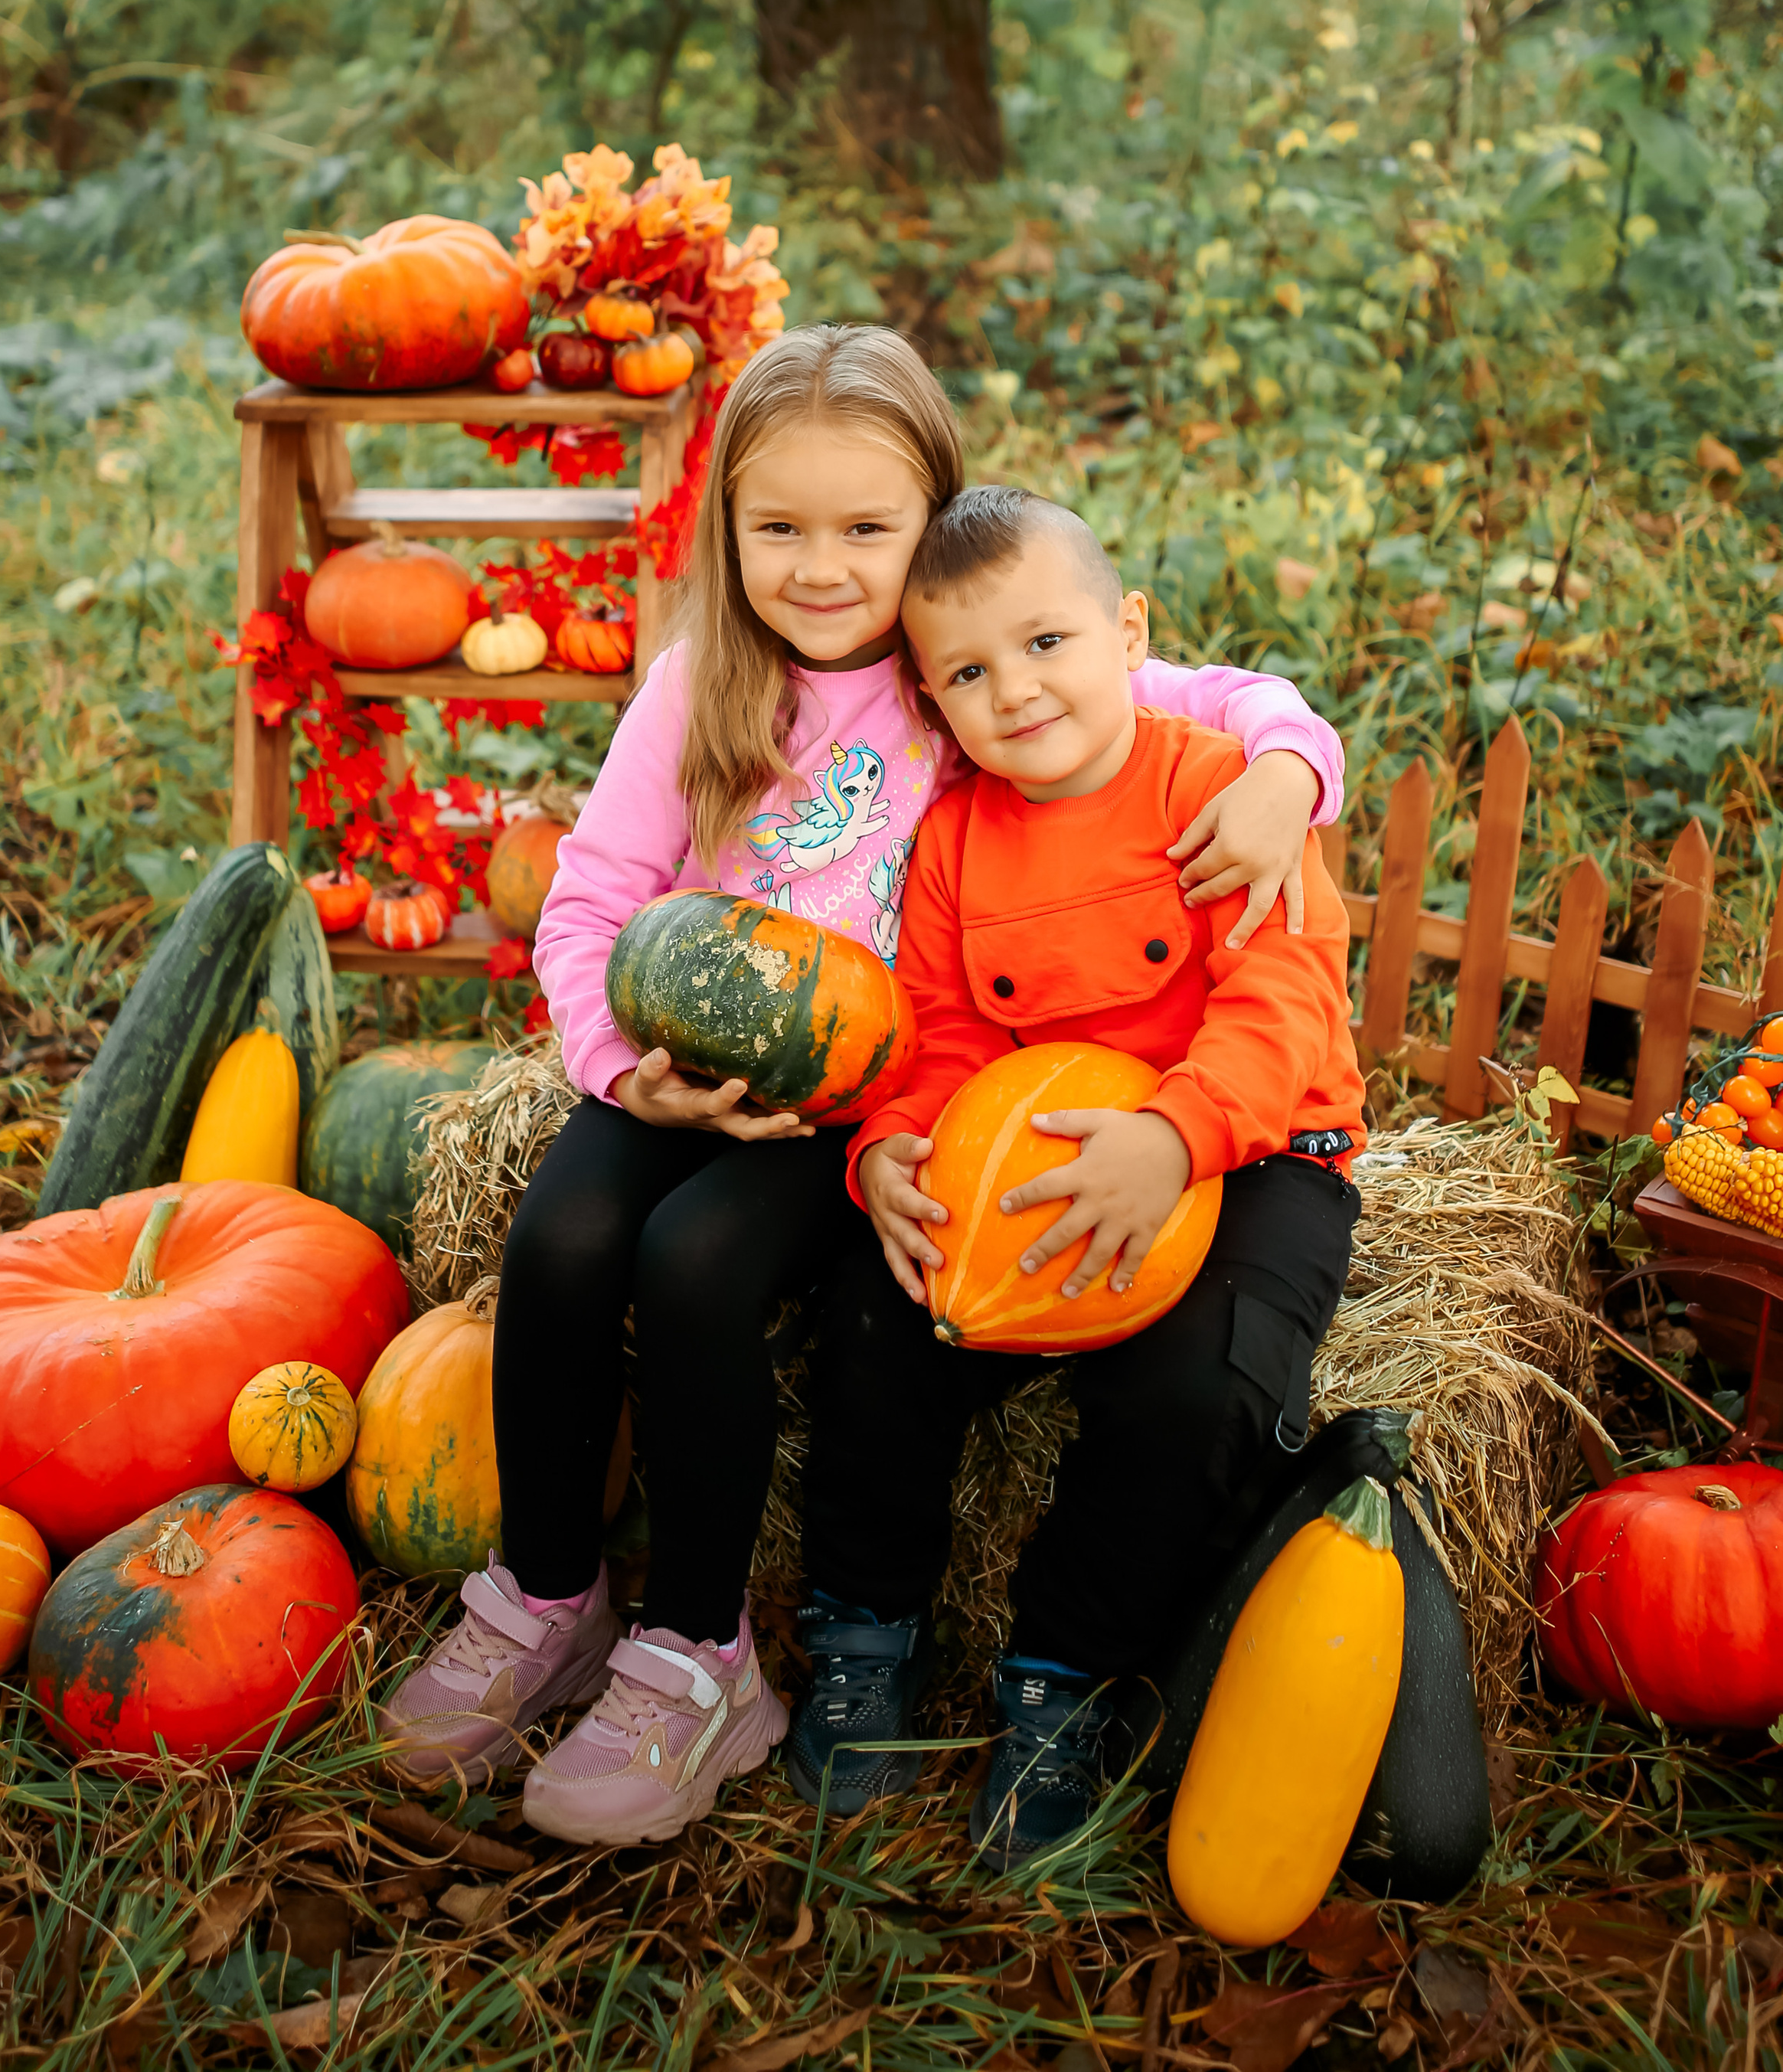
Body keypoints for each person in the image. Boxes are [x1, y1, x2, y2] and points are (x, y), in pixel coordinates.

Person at [379, 330, 1347, 1848]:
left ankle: (706, 1654)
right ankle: (546, 1593)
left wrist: (1291, 770)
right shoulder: (703, 686)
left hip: (870, 1087)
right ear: (725, 532)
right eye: (778, 529)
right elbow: (584, 905)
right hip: (694, 1064)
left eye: (865, 531)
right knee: (563, 1237)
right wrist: (630, 1073)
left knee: (702, 1264)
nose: (820, 568)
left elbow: (1209, 698)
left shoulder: (970, 663)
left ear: (933, 531)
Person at [786, 481, 1366, 1872]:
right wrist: (889, 1160)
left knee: (1195, 1390)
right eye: (971, 673)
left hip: (1257, 1146)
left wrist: (1173, 1139)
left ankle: (1060, 1680)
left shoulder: (1221, 797)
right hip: (1038, 1148)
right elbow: (930, 1037)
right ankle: (865, 1633)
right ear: (933, 698)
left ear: (1129, 629)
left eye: (1047, 644)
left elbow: (1281, 1004)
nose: (1018, 692)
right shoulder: (958, 842)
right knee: (880, 1325)